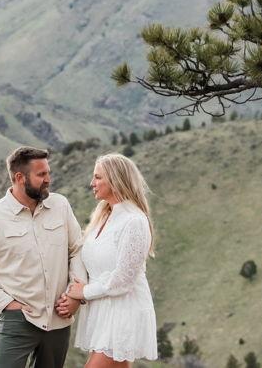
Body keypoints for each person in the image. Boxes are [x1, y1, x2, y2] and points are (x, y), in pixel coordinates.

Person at [0, 146, 86, 368]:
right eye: (41, 174)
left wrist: (75, 295)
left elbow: (77, 249)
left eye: (48, 172)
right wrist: (6, 303)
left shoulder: (60, 205)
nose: (48, 179)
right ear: (20, 178)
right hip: (16, 322)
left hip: (58, 320)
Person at [61, 153, 158, 365]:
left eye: (98, 177)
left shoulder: (134, 221)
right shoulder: (104, 216)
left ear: (115, 180)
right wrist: (74, 291)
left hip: (123, 312)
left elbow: (123, 280)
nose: (92, 183)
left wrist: (84, 292)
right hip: (102, 312)